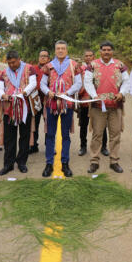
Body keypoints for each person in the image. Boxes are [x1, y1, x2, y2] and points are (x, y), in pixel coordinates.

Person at [84, 41, 129, 174]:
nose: (106, 52)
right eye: (104, 50)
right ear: (100, 51)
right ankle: (94, 161)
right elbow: (87, 82)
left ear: (112, 51)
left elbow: (127, 81)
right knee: (97, 134)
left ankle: (114, 161)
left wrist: (121, 93)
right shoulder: (92, 65)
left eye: (109, 50)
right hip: (98, 106)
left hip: (116, 106)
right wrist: (94, 95)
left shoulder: (120, 65)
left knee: (115, 134)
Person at [40, 40, 82, 177]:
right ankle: (49, 164)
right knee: (50, 134)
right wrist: (48, 92)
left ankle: (65, 163)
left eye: (63, 48)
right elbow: (42, 84)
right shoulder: (48, 66)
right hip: (51, 104)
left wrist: (67, 93)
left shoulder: (74, 65)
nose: (60, 51)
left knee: (65, 135)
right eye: (58, 48)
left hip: (67, 105)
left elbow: (78, 83)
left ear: (67, 50)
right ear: (55, 50)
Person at [0, 50, 37, 176]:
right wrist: (3, 95)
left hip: (24, 108)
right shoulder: (4, 72)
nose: (11, 65)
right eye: (9, 63)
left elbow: (33, 83)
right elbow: (0, 87)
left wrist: (24, 93)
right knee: (9, 138)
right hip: (9, 108)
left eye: (13, 62)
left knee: (24, 136)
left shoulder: (29, 69)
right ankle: (8, 164)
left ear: (19, 59)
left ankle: (21, 162)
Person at [77, 48, 108, 156]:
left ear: (94, 57)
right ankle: (83, 146)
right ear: (84, 58)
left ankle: (103, 147)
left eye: (91, 56)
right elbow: (77, 85)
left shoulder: (99, 67)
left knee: (101, 125)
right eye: (86, 56)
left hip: (97, 102)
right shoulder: (80, 69)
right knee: (83, 125)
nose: (89, 57)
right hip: (84, 101)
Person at [30, 49, 50, 154]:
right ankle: (33, 146)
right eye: (41, 56)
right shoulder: (33, 69)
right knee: (35, 124)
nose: (42, 58)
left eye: (45, 56)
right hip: (36, 100)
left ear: (48, 58)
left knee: (49, 124)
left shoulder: (52, 69)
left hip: (48, 100)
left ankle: (49, 146)